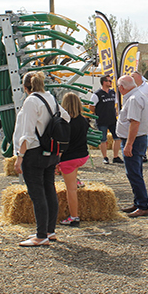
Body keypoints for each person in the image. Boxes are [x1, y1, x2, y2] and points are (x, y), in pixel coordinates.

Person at [13, 72, 70, 246]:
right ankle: (49, 231)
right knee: (49, 190)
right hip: (50, 151)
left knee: (37, 194)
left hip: (34, 152)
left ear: (25, 87)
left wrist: (19, 158)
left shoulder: (31, 101)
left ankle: (40, 235)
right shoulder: (50, 98)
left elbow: (28, 134)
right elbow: (66, 117)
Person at [116, 75, 148, 217]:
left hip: (134, 140)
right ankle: (139, 202)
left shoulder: (133, 99)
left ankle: (143, 205)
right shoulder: (138, 96)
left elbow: (134, 122)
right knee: (135, 172)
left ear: (121, 87)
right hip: (137, 139)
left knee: (134, 173)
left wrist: (129, 144)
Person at [57, 92, 90, 227]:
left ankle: (74, 217)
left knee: (71, 190)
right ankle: (76, 180)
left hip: (69, 158)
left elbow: (62, 145)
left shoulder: (64, 122)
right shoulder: (84, 120)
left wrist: (55, 162)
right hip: (83, 155)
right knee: (72, 177)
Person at [91, 76, 121, 164]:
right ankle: (105, 157)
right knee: (103, 140)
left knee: (117, 138)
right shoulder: (97, 94)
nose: (111, 82)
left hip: (112, 119)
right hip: (102, 121)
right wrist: (99, 113)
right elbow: (91, 106)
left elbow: (115, 105)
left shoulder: (112, 92)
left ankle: (115, 156)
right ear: (104, 82)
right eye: (109, 81)